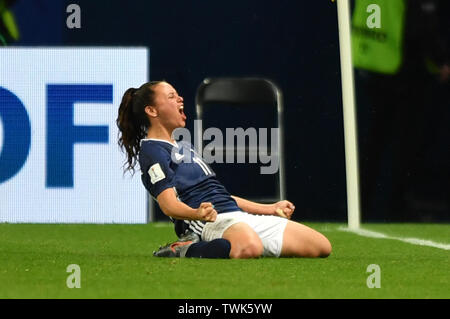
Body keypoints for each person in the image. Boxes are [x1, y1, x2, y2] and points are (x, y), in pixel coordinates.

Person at [117, 81, 332, 259]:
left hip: (236, 217)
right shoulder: (152, 151)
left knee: (321, 246)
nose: (180, 99)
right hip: (207, 222)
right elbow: (168, 204)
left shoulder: (183, 146)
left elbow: (220, 195)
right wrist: (196, 214)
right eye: (171, 96)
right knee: (249, 248)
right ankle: (185, 249)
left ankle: (236, 242)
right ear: (152, 110)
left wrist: (269, 207)